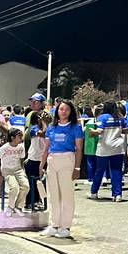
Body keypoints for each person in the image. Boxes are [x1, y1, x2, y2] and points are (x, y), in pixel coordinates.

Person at [39, 101, 84, 239]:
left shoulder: (75, 127)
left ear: (71, 112)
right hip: (53, 160)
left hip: (67, 159)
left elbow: (79, 149)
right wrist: (42, 165)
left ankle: (65, 226)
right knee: (53, 194)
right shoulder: (52, 128)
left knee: (66, 194)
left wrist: (77, 167)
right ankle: (54, 224)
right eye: (61, 109)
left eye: (67, 110)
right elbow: (46, 147)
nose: (63, 112)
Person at [88, 100, 127, 202]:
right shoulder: (120, 118)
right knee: (116, 171)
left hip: (104, 148)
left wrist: (92, 132)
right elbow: (126, 130)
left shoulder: (102, 117)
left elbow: (99, 131)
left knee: (99, 171)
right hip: (118, 147)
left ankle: (94, 192)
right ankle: (117, 194)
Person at [0, 128, 29, 217]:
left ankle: (18, 206)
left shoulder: (21, 147)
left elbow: (22, 160)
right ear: (12, 137)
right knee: (14, 187)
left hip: (18, 169)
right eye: (19, 136)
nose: (21, 138)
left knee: (26, 186)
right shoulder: (4, 148)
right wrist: (0, 175)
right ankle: (10, 207)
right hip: (7, 170)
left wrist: (22, 171)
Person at [25, 111, 50, 211]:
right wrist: (44, 122)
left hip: (44, 159)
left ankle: (39, 200)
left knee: (41, 182)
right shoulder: (34, 128)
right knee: (32, 183)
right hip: (34, 159)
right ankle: (29, 202)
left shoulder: (48, 127)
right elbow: (43, 134)